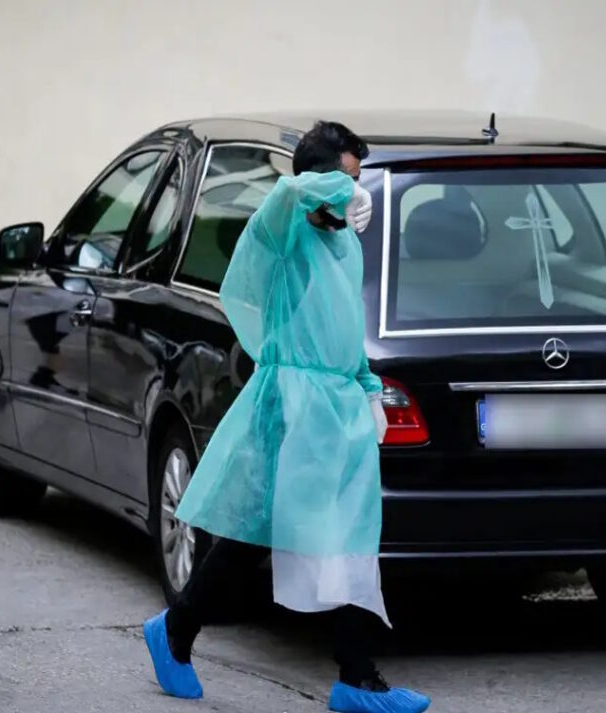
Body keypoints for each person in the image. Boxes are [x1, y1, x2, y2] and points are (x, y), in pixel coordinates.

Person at [142, 121, 431, 713]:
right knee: (259, 535)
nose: (354, 195)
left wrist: (367, 385)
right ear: (321, 180)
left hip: (337, 410)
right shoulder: (284, 230)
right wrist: (336, 189)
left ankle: (354, 678)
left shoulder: (344, 245)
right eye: (346, 181)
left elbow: (343, 326)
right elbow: (286, 194)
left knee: (343, 536)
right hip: (290, 405)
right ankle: (176, 631)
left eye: (358, 183)